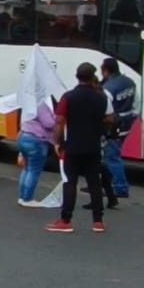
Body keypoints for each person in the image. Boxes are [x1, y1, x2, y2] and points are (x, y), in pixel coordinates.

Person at [47, 62, 109, 234]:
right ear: (93, 77)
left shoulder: (68, 97)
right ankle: (98, 221)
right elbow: (108, 118)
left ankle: (66, 220)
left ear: (77, 76)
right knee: (94, 184)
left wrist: (57, 142)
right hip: (93, 146)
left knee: (70, 182)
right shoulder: (101, 97)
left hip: (73, 146)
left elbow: (59, 122)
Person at [100, 58, 136, 200]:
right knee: (111, 155)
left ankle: (120, 187)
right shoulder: (129, 82)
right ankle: (105, 184)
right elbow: (135, 103)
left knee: (111, 157)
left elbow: (105, 110)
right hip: (126, 122)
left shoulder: (108, 88)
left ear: (106, 71)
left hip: (113, 126)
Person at [16, 97, 56, 207]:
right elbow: (49, 123)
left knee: (27, 168)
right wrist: (56, 117)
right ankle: (28, 199)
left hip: (25, 136)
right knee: (34, 170)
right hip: (37, 139)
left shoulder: (29, 101)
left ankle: (22, 196)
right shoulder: (41, 103)